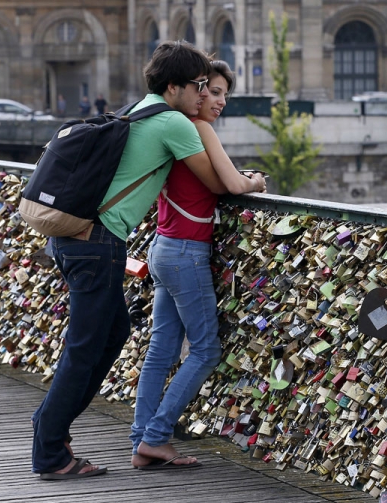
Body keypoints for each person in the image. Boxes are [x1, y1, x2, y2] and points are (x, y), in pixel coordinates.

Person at [30, 40, 239, 481]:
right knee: (86, 346)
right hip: (98, 243)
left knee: (112, 333)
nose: (204, 94)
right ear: (174, 86)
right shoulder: (173, 124)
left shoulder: (138, 109)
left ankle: (54, 430)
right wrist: (252, 180)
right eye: (199, 86)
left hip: (76, 238)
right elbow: (221, 183)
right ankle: (50, 446)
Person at [130, 60, 266, 470]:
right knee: (206, 349)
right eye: (211, 90)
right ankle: (154, 437)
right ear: (194, 89)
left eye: (223, 93)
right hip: (186, 252)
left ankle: (141, 439)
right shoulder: (197, 128)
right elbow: (230, 184)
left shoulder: (170, 125)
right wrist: (255, 181)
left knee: (161, 349)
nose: (217, 100)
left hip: (163, 247)